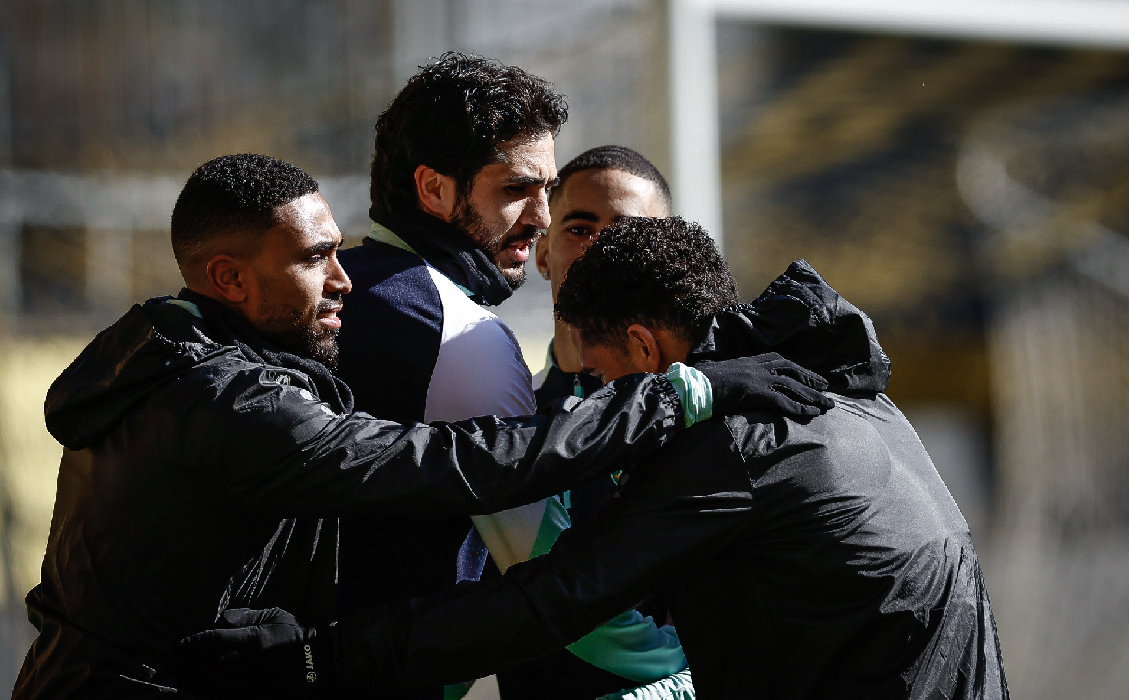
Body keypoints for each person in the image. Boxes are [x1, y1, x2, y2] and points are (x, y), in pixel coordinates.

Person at [11, 155, 829, 698]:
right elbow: (450, 465)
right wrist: (676, 397)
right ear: (228, 277)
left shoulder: (179, 357)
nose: (343, 280)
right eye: (312, 259)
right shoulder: (224, 402)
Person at [181, 216, 1008, 699]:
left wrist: (323, 658)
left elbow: (557, 599)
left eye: (607, 379)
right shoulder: (840, 393)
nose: (606, 401)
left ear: (646, 349)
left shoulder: (734, 445)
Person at [331, 55, 828, 697]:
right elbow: (559, 591)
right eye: (518, 189)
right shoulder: (462, 341)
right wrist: (682, 675)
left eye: (546, 190)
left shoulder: (335, 291)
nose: (540, 215)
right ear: (434, 190)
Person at [497, 145, 685, 699]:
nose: (601, 250)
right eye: (580, 229)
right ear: (543, 253)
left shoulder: (711, 414)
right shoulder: (504, 415)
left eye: (627, 232)